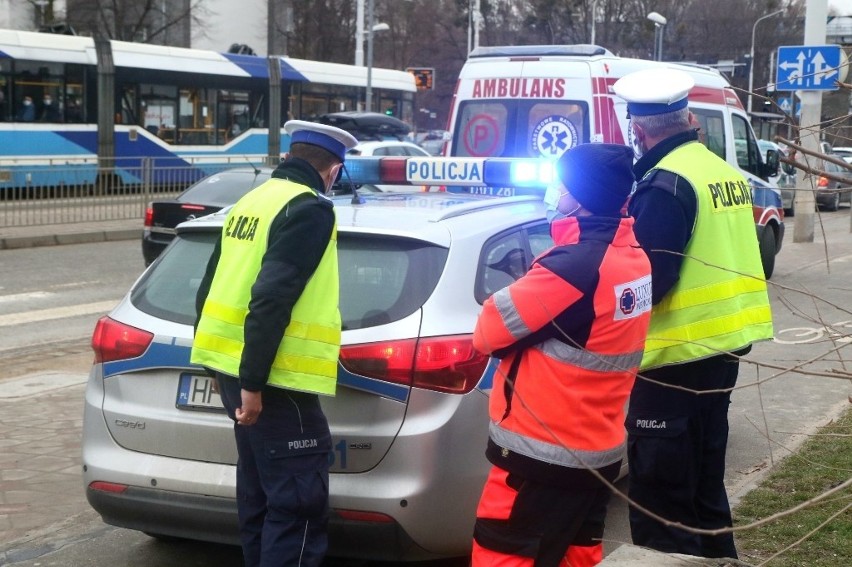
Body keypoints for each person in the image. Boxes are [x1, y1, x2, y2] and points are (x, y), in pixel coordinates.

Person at [612, 68, 774, 559]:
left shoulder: (666, 186)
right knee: (704, 495)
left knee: (665, 509)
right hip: (719, 355)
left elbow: (648, 285)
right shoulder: (721, 172)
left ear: (638, 131)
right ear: (687, 119)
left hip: (671, 366)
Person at [470, 143, 653, 567]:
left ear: (581, 198)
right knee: (577, 555)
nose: (556, 192)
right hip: (596, 450)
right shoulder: (633, 257)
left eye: (562, 184)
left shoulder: (573, 266)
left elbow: (487, 333)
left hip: (540, 456)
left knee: (504, 556)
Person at [190, 120, 358, 567]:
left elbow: (206, 290)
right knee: (297, 508)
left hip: (235, 370)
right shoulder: (309, 209)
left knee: (260, 498)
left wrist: (225, 370)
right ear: (333, 171)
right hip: (278, 381)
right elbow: (271, 297)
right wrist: (253, 383)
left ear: (290, 155)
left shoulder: (251, 202)